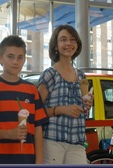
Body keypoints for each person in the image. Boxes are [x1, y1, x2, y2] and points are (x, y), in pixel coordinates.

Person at [0, 35, 49, 164]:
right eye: (10, 56)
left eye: (20, 57)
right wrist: (10, 134)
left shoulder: (32, 90)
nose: (15, 62)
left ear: (24, 60)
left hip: (26, 160)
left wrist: (39, 162)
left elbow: (38, 129)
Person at [38, 24, 93, 164]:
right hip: (52, 140)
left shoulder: (81, 75)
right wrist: (62, 109)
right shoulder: (49, 74)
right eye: (63, 39)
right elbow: (36, 111)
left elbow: (84, 108)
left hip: (77, 140)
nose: (68, 43)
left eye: (72, 39)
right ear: (56, 46)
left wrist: (87, 104)